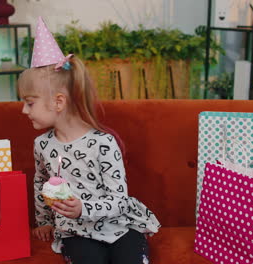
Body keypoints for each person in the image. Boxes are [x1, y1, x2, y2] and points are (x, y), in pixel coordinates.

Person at [19, 17, 160, 264]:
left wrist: (84, 208)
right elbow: (41, 183)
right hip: (76, 232)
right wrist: (43, 222)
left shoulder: (103, 143)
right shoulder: (42, 145)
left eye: (30, 103)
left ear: (58, 102)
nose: (24, 110)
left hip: (119, 226)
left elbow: (119, 199)